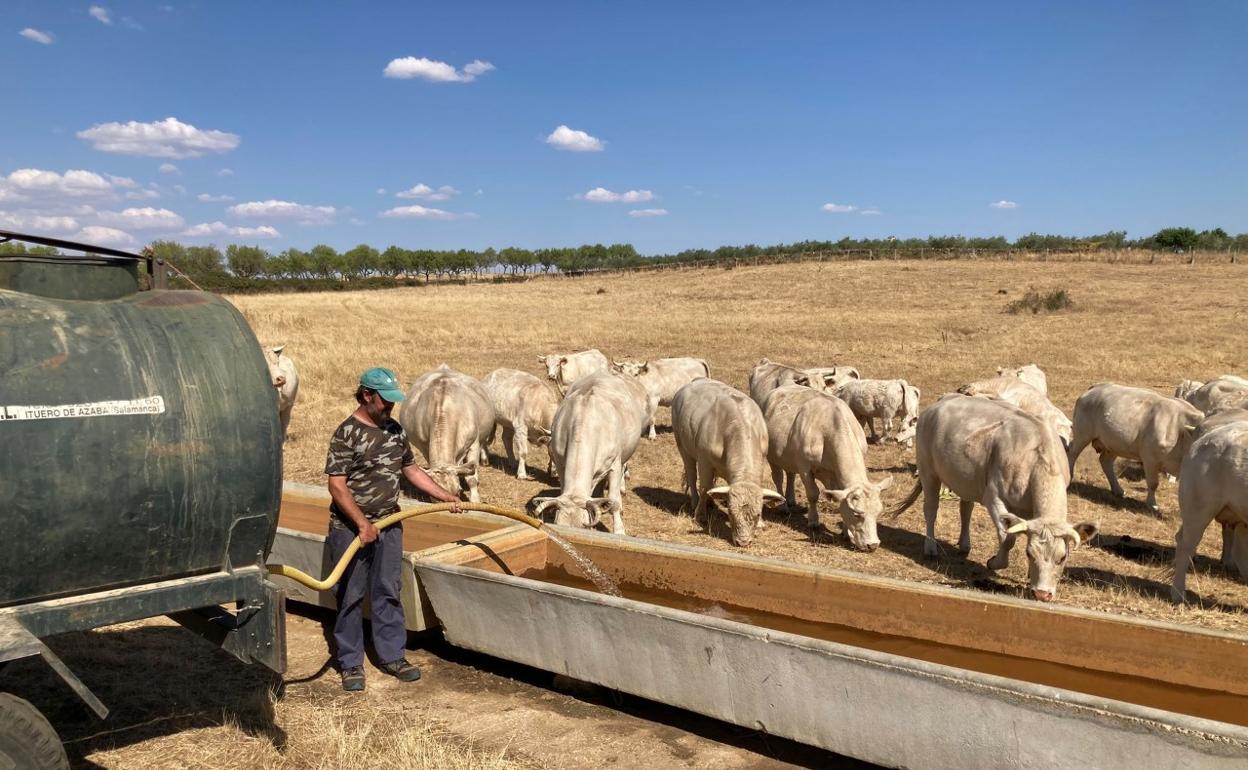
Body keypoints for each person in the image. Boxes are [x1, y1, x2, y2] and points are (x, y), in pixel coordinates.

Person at [324, 366, 462, 692]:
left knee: (388, 590)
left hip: (389, 525)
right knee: (350, 596)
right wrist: (361, 523)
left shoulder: (395, 431)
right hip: (351, 529)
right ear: (366, 395)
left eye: (393, 402)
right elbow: (337, 486)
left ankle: (392, 656)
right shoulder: (346, 434)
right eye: (385, 402)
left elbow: (411, 470)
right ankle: (351, 663)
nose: (390, 408)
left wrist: (443, 494)